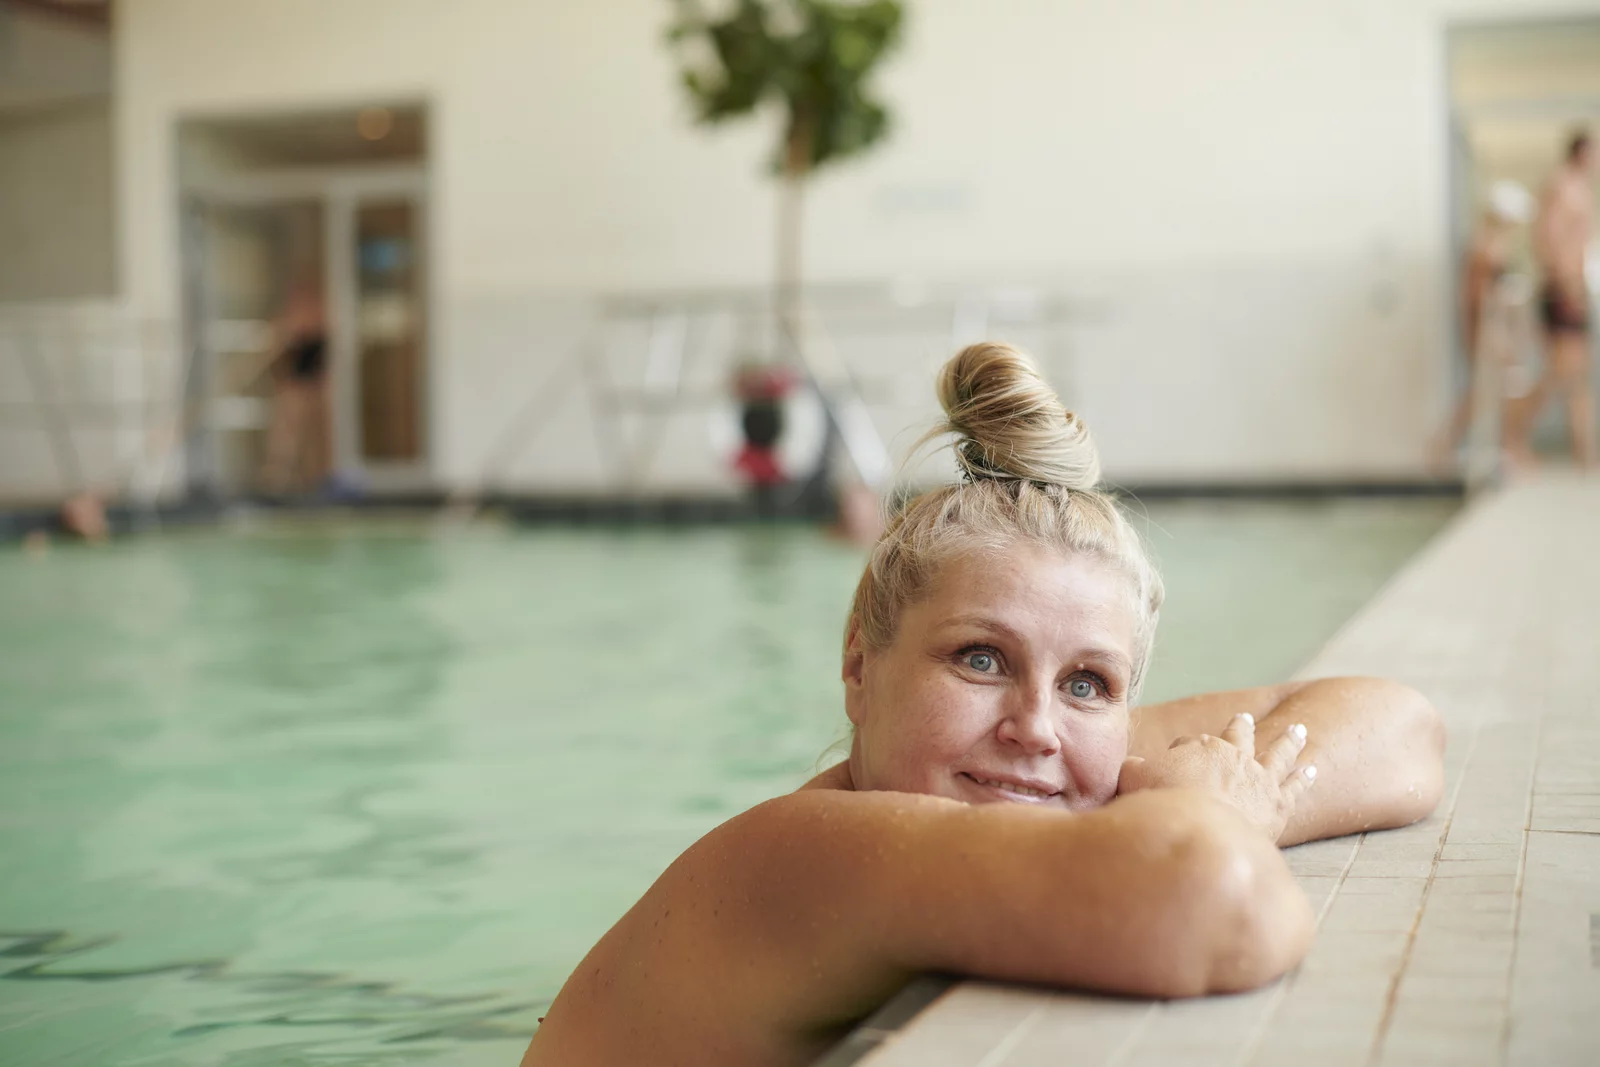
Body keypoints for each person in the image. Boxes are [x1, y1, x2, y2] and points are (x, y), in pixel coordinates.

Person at [522, 343, 1445, 1067]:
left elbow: (1400, 727)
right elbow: (1218, 903)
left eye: (1090, 682)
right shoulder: (806, 855)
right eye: (979, 657)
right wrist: (1227, 808)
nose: (1036, 728)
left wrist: (1201, 806)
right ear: (858, 665)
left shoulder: (1035, 765)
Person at [1507, 130, 1597, 468]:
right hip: (1563, 289)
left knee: (1577, 373)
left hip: (1574, 288)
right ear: (1582, 153)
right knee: (1561, 371)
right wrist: (1564, 283)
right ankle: (1512, 436)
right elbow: (1548, 236)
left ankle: (1584, 453)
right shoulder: (1561, 185)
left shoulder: (1580, 189)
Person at [1431, 180, 1530, 470]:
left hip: (1492, 324)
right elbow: (1476, 296)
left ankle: (1494, 446)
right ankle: (1446, 445)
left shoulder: (1492, 243)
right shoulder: (1485, 245)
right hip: (1486, 325)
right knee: (1485, 391)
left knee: (1492, 391)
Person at [262, 280, 332, 493]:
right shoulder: (289, 334)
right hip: (294, 390)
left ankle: (312, 478)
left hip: (311, 392)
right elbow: (280, 366)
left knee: (309, 437)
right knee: (285, 436)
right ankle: (277, 478)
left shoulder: (320, 331)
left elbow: (323, 369)